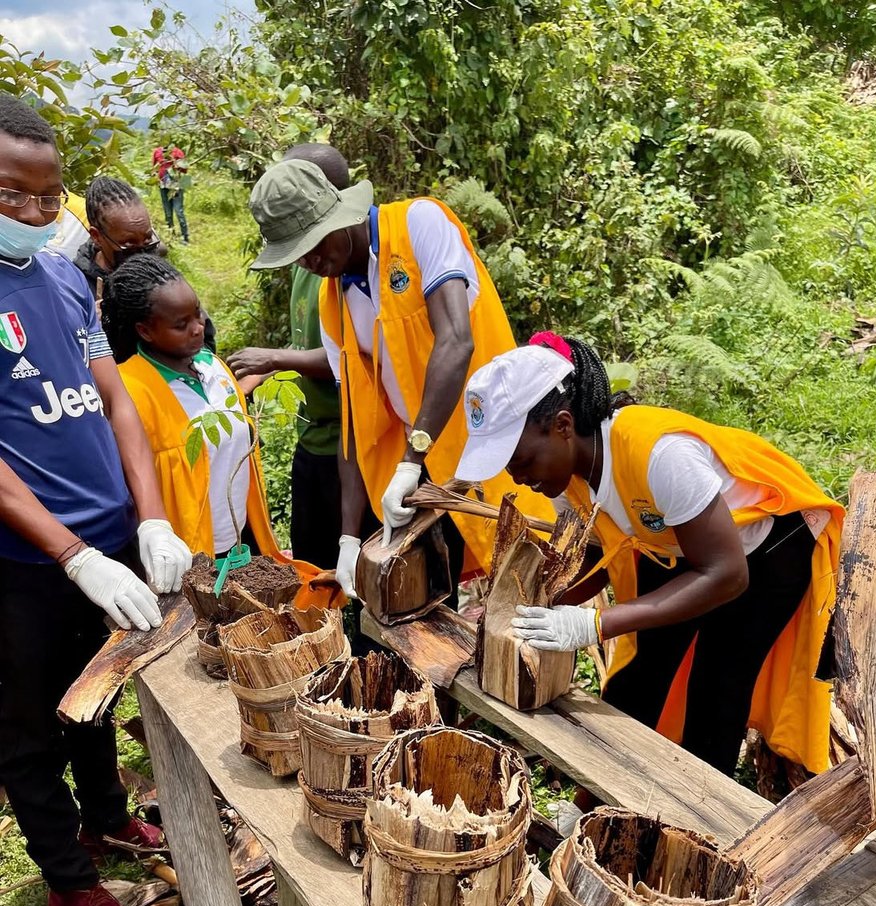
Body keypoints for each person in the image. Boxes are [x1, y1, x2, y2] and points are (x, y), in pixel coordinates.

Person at [455, 334, 844, 778]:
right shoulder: (570, 478)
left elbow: (726, 574)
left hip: (763, 552)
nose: (518, 478)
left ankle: (703, 815)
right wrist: (528, 607)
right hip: (678, 546)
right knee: (639, 674)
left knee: (717, 684)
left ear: (563, 426)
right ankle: (599, 792)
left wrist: (594, 624)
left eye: (521, 460)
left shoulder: (661, 456)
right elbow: (593, 559)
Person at [0, 94, 192, 906]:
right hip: (27, 560)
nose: (37, 215)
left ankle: (107, 818)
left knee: (99, 693)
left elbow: (113, 401)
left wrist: (146, 520)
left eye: (50, 199)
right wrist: (73, 555)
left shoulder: (68, 278)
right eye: (15, 196)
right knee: (28, 727)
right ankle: (71, 888)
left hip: (107, 539)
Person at [246, 159, 554, 600]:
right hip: (427, 464)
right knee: (437, 596)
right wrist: (348, 540)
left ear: (338, 214)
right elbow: (353, 422)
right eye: (297, 255)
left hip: (498, 443)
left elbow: (455, 341)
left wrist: (411, 459)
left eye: (313, 244)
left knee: (522, 575)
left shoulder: (419, 224)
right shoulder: (334, 301)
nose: (311, 262)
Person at [103, 255, 323, 602]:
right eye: (181, 324)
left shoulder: (215, 368)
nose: (198, 327)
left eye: (197, 313)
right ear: (145, 330)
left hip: (242, 538)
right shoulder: (129, 390)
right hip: (188, 556)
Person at [227, 144, 348, 567]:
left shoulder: (344, 266)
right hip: (312, 437)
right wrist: (258, 376)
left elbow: (356, 360)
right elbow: (309, 343)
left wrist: (275, 360)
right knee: (313, 565)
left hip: (350, 445)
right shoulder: (306, 261)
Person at [74, 177, 216, 350]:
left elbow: (204, 341)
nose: (142, 252)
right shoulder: (77, 289)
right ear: (97, 237)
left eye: (148, 239)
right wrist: (93, 330)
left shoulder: (157, 271)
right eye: (129, 244)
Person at [152, 144, 189, 243]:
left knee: (178, 211)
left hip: (176, 186)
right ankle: (170, 236)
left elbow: (185, 169)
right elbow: (154, 168)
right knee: (168, 213)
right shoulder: (157, 152)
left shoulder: (177, 152)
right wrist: (155, 176)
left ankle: (185, 237)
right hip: (163, 185)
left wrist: (175, 163)